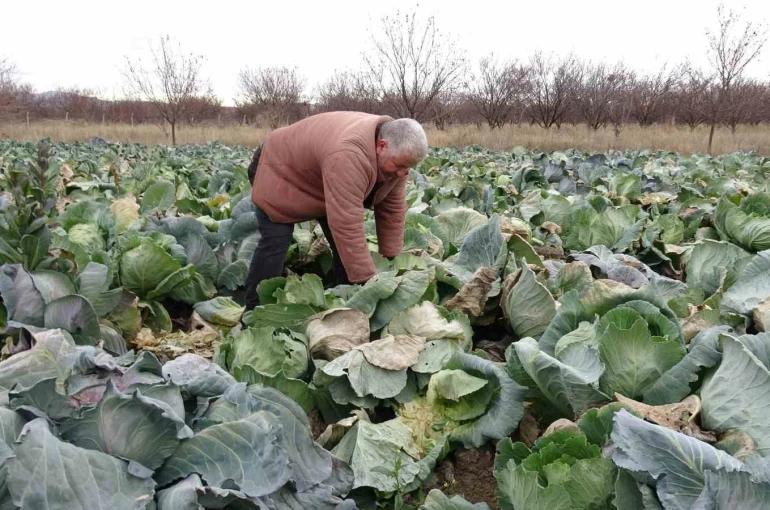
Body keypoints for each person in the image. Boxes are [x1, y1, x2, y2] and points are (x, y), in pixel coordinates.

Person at [244, 111, 429, 311]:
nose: (402, 174)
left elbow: (392, 210)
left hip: (319, 174)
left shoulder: (395, 155)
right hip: (277, 165)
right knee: (276, 240)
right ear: (381, 146)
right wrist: (368, 285)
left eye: (408, 169)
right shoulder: (349, 153)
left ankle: (345, 297)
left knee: (343, 244)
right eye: (400, 166)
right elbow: (346, 224)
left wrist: (392, 260)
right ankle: (255, 309)